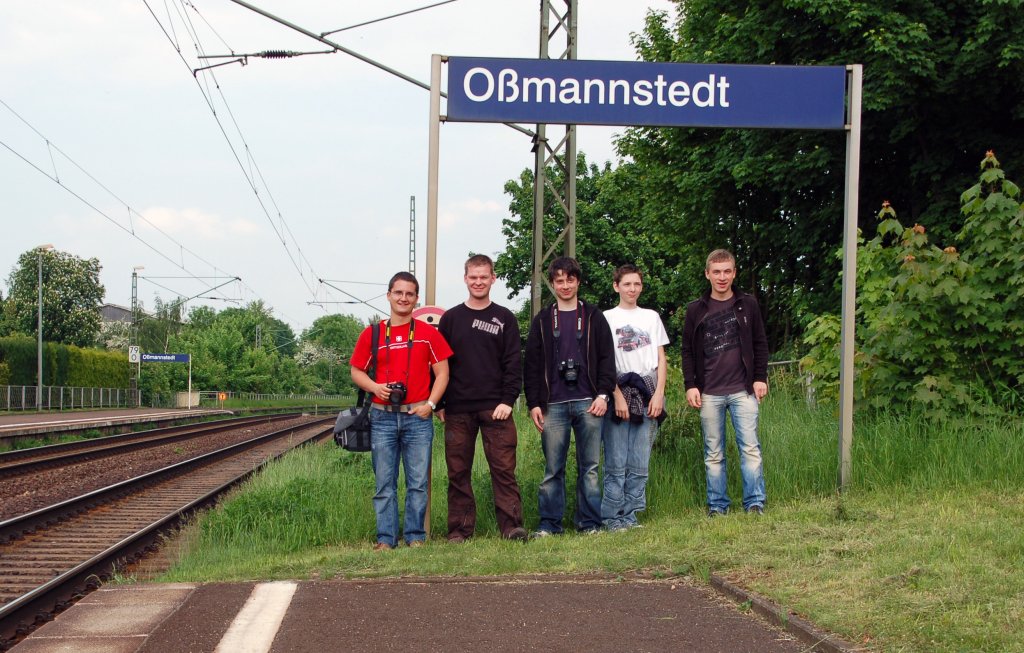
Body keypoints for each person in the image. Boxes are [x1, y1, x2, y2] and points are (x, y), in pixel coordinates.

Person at [350, 272, 452, 550]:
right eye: (398, 293)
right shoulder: (372, 333)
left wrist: (430, 405)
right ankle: (385, 538)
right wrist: (375, 386)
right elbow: (356, 370)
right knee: (384, 483)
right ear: (388, 295)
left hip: (417, 417)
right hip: (381, 416)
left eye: (409, 294)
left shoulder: (428, 334)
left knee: (418, 483)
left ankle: (415, 536)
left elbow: (442, 373)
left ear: (416, 299)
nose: (403, 298)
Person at [437, 254, 528, 542]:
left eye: (484, 276)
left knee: (503, 470)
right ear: (465, 279)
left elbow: (514, 364)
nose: (478, 281)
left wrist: (507, 400)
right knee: (458, 473)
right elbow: (439, 364)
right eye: (473, 277)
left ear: (493, 279)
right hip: (457, 409)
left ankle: (511, 527)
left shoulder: (505, 318)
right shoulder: (450, 319)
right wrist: (439, 403)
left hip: (496, 408)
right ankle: (460, 530)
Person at [524, 256, 616, 536]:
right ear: (552, 284)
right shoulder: (542, 320)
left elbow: (607, 359)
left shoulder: (593, 316)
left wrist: (603, 395)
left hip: (589, 402)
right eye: (559, 281)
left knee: (589, 467)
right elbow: (531, 365)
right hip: (553, 404)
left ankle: (589, 523)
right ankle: (549, 525)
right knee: (553, 469)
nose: (565, 285)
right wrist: (534, 403)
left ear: (578, 281)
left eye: (570, 279)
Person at [681, 249, 768, 516]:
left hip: (743, 390)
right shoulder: (696, 309)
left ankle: (754, 502)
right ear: (708, 274)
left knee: (750, 448)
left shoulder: (748, 304)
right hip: (709, 393)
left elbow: (760, 343)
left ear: (734, 273)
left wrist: (760, 378)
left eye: (727, 271)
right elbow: (686, 350)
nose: (722, 277)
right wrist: (690, 384)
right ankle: (718, 505)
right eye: (716, 272)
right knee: (713, 453)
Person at [602, 264, 669, 531]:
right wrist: (616, 394)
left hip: (648, 389)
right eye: (627, 284)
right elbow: (603, 362)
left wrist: (659, 394)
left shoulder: (651, 317)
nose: (632, 289)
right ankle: (611, 516)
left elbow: (661, 359)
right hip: (618, 389)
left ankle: (630, 514)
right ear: (616, 286)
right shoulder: (606, 318)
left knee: (640, 461)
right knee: (616, 460)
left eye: (637, 284)